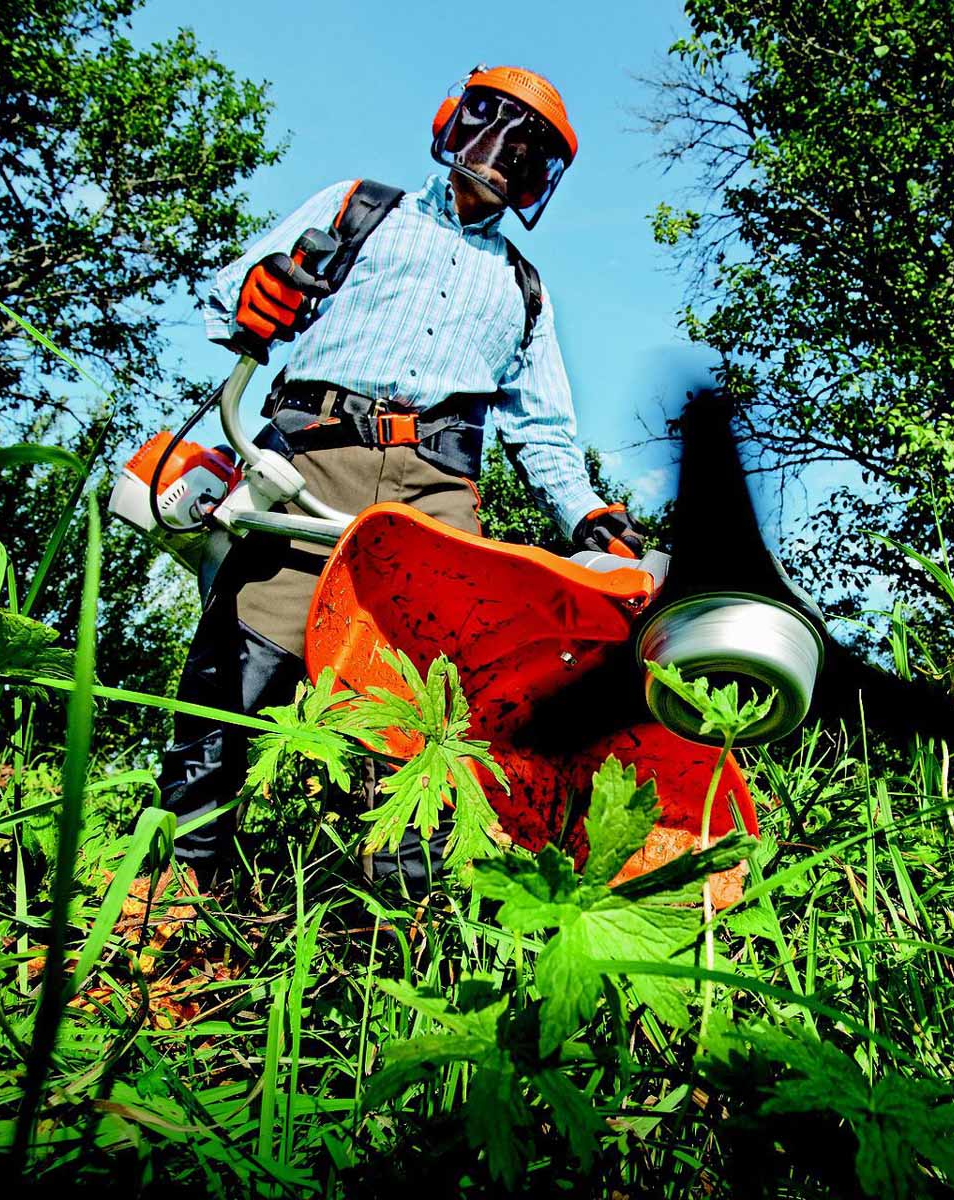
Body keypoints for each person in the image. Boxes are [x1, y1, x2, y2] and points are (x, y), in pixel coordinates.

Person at [159, 64, 644, 888]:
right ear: (453, 121)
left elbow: (545, 433)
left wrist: (587, 515)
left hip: (435, 489)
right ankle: (173, 882)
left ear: (540, 180)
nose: (499, 160)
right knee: (243, 664)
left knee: (437, 700)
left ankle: (400, 914)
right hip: (313, 453)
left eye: (527, 155)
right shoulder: (362, 207)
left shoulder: (524, 289)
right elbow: (229, 294)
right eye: (490, 129)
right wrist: (258, 293)